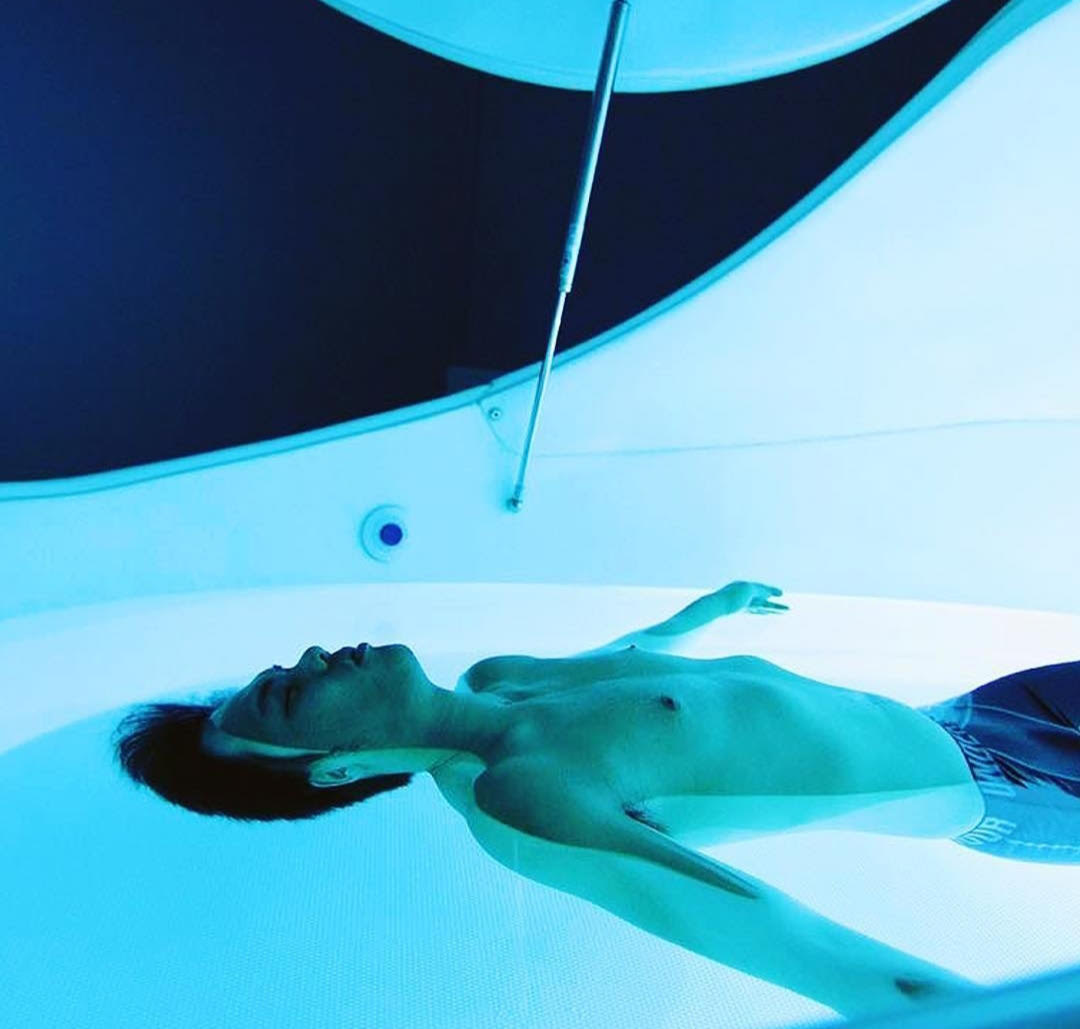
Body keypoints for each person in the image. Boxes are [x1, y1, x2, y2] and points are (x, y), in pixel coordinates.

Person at [113, 581, 1080, 1020]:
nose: (312, 656)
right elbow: (810, 949)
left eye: (282, 666)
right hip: (1025, 790)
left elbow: (636, 657)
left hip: (976, 710)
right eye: (288, 695)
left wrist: (709, 610)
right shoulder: (525, 801)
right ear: (333, 769)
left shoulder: (504, 676)